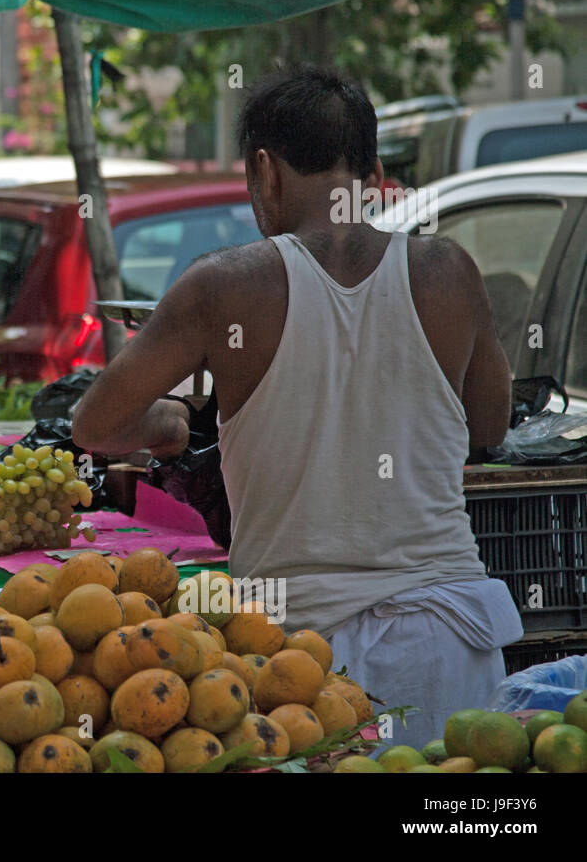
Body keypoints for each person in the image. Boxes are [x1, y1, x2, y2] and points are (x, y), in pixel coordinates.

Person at [72, 63, 522, 749]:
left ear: (264, 171)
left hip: (298, 662)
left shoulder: (224, 286)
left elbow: (95, 424)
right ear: (372, 170)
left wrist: (167, 420)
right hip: (449, 640)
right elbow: (488, 425)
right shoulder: (448, 272)